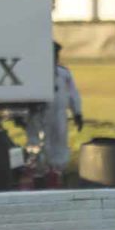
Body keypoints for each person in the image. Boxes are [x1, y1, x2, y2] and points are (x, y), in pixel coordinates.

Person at [26, 42, 82, 173]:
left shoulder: (64, 74)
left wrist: (77, 112)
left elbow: (73, 94)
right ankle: (38, 169)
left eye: (56, 55)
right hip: (40, 113)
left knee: (60, 140)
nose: (54, 58)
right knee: (37, 141)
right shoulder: (34, 73)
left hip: (59, 113)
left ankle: (58, 170)